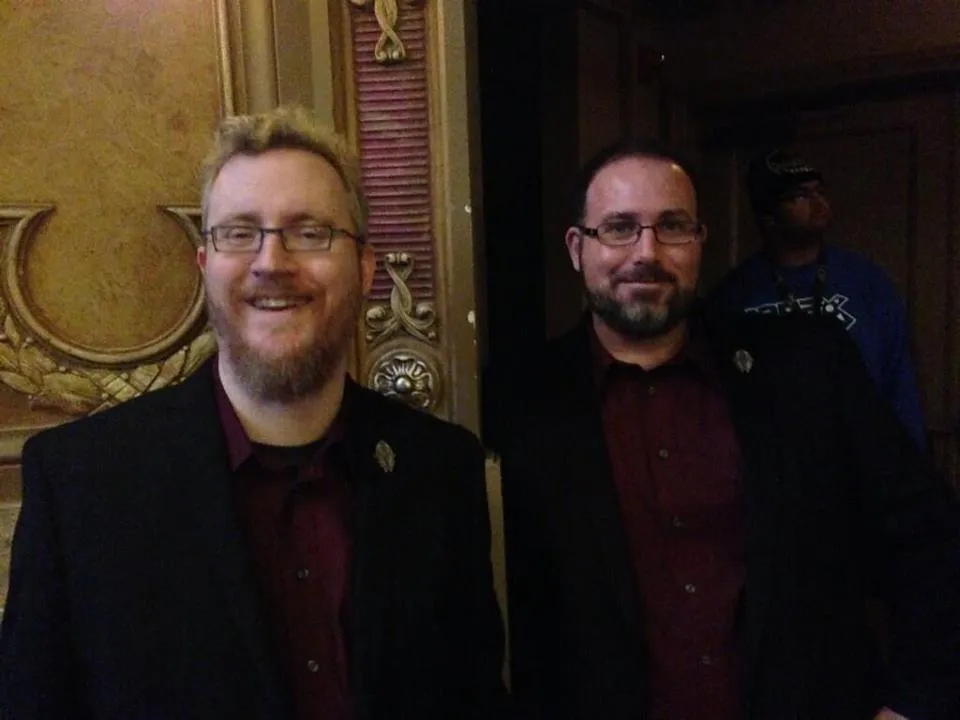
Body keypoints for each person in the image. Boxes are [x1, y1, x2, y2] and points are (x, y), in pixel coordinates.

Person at [0, 106, 509, 719]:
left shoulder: (442, 469)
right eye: (240, 233)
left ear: (365, 268)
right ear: (205, 266)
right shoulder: (81, 484)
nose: (272, 261)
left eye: (310, 232)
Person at [484, 138, 960, 720]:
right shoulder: (519, 402)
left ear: (700, 241)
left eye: (672, 226)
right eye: (619, 227)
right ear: (576, 248)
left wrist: (912, 703)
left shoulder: (809, 365)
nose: (646, 252)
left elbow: (929, 538)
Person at [710, 149, 926, 447]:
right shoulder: (735, 293)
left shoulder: (866, 280)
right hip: (774, 455)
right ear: (768, 215)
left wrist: (911, 455)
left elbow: (899, 378)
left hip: (862, 452)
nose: (818, 202)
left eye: (820, 191)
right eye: (800, 195)